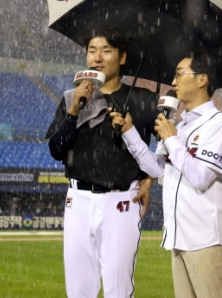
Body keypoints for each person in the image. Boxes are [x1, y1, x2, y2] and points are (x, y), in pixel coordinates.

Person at [110, 51, 222, 298]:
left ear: (202, 80)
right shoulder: (180, 127)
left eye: (180, 74)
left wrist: (171, 140)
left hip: (206, 241)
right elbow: (157, 168)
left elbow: (201, 178)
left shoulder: (220, 125)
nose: (173, 82)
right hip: (179, 239)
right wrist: (129, 131)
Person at [46, 28, 157, 298]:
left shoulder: (142, 99)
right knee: (79, 290)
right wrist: (74, 112)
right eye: (92, 50)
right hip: (77, 200)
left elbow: (167, 147)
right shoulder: (71, 98)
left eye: (106, 50)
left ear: (122, 58)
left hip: (121, 201)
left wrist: (150, 178)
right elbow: (56, 149)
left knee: (118, 290)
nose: (98, 57)